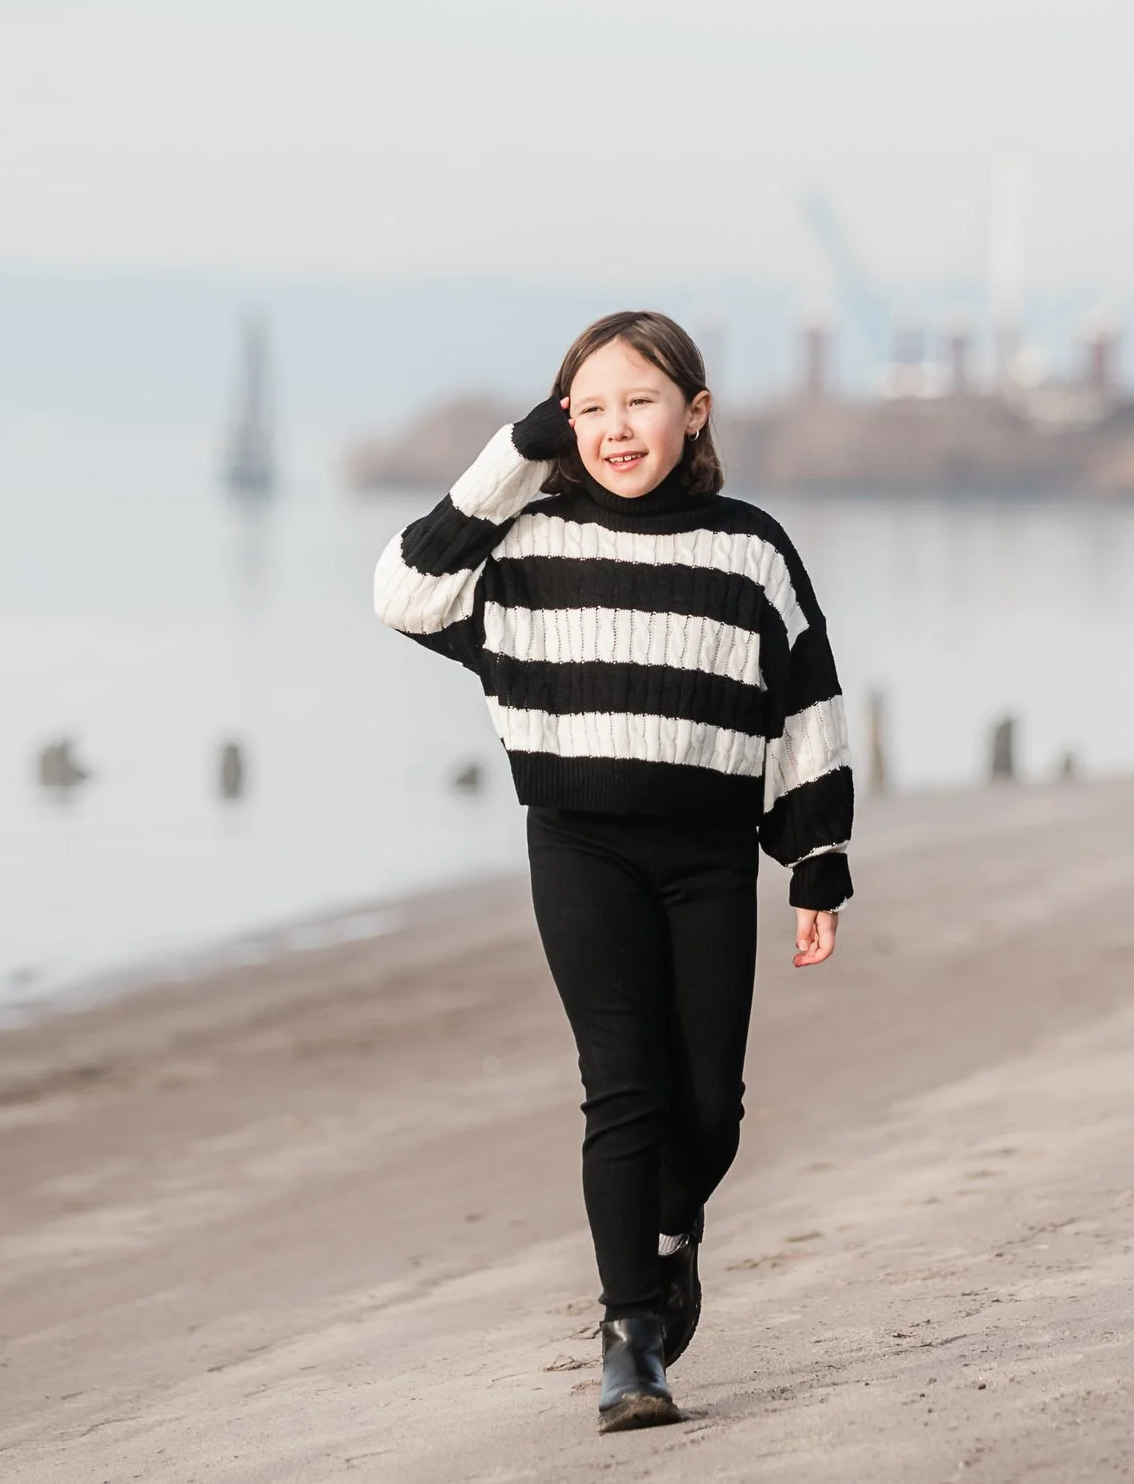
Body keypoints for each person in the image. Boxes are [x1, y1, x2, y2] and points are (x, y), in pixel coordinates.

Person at [371, 310, 854, 1434]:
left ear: (694, 413)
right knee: (623, 1087)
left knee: (711, 1102)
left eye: (639, 400)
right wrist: (519, 447)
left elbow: (805, 703)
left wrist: (816, 858)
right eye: (586, 408)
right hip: (578, 842)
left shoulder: (750, 547)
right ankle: (630, 1337)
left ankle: (672, 1236)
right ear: (558, 425)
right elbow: (403, 588)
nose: (614, 427)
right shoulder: (526, 544)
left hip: (707, 854)